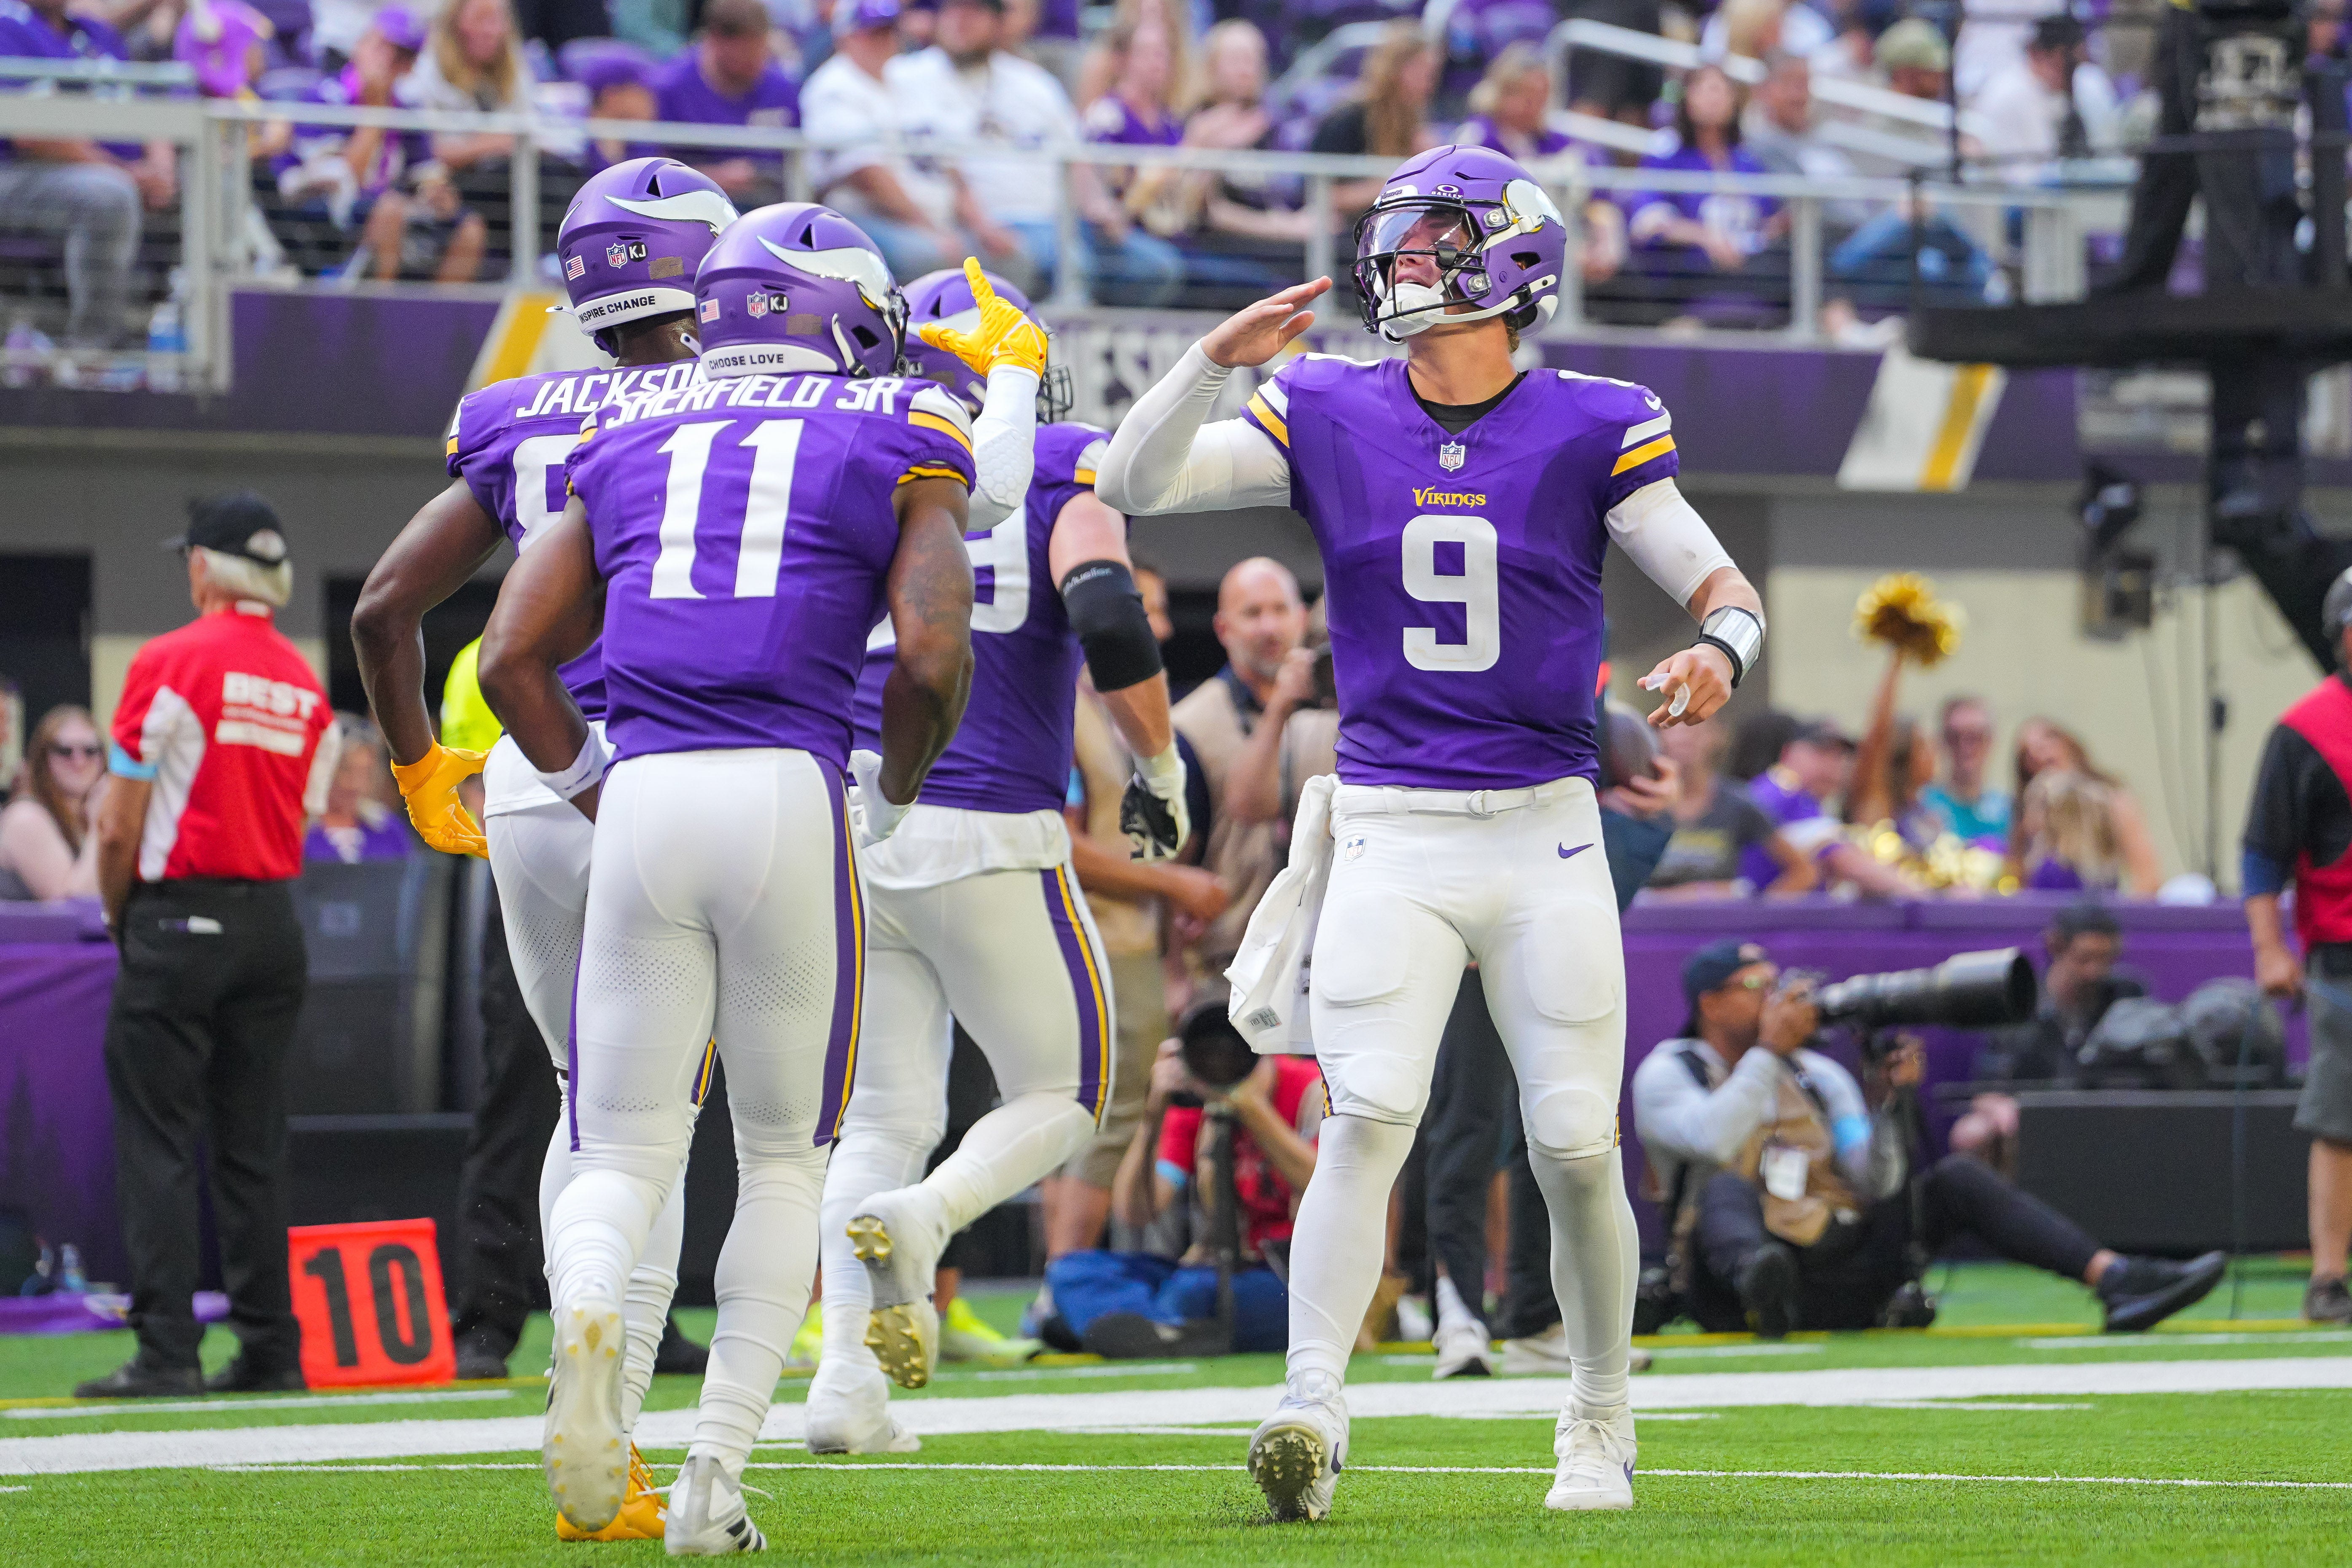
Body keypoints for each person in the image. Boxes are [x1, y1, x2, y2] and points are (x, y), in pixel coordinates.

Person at [1096, 142, 1771, 1516]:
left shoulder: (1593, 421)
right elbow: (1133, 478)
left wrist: (1722, 650)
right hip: (1392, 825)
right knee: (1369, 1114)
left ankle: (1592, 1413)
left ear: (1509, 267)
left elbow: (1718, 582)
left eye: (1430, 244)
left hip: (1540, 829)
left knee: (1575, 1137)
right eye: (1397, 243)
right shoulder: (1329, 406)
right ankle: (1307, 1406)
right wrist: (1206, 362)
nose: (1400, 265)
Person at [479, 201, 977, 1552]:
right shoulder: (893, 430)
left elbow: (505, 657)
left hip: (640, 793)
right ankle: (710, 1480)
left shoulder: (622, 431)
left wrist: (587, 779)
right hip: (783, 795)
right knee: (778, 1159)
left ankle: (585, 1304)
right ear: (842, 317)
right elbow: (930, 657)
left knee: (617, 1138)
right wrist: (890, 788)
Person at [351, 157, 736, 1544]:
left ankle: (580, 1362)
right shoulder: (739, 399)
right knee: (661, 1112)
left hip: (522, 774)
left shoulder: (521, 412)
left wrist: (413, 767)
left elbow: (386, 612)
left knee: (589, 1094)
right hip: (666, 759)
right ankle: (613, 1422)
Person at [807, 262, 1191, 1451]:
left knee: (876, 1114)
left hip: (855, 824)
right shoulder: (1059, 461)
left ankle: (841, 1395)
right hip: (988, 819)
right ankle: (929, 1218)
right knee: (1064, 1094)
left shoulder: (855, 455)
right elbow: (1108, 610)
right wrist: (1159, 770)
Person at [78, 493, 340, 1400]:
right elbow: (305, 819)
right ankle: (271, 1351)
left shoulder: (167, 663)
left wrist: (123, 917)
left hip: (177, 918)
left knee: (157, 1138)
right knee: (252, 1145)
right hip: (273, 926)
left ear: (204, 566)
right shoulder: (307, 686)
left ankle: (165, 1353)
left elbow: (118, 826)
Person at [1633, 939, 2225, 1339]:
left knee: (1955, 1181)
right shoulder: (1672, 1071)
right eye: (1754, 984)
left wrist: (1889, 1106)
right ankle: (1761, 1288)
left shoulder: (1820, 1077)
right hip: (1727, 1280)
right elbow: (1711, 1141)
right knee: (1725, 1190)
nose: (1775, 997)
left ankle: (2115, 1279)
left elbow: (1871, 1180)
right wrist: (1767, 1052)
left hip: (1830, 1261)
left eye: (1775, 982)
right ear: (1708, 1002)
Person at [1043, 562, 1231, 1273]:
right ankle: (1065, 1288)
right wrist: (1173, 886)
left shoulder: (1113, 712)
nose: (1155, 627)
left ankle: (1058, 1290)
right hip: (1093, 938)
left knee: (1081, 1117)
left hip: (1123, 940)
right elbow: (1057, 842)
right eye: (1143, 609)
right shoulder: (1064, 708)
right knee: (1103, 1114)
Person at [1044, 1026, 1323, 1355]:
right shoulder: (1198, 1099)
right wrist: (1153, 1115)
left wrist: (1252, 1108)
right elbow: (1136, 1212)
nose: (1221, 1063)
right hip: (1214, 1269)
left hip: (1292, 1273)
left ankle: (1124, 1324)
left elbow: (1323, 1186)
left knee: (1193, 1293)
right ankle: (1157, 1329)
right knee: (1071, 1270)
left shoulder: (1312, 1087)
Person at [2243, 567, 2352, 1324]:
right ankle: (2325, 1277)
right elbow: (2261, 854)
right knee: (2338, 1117)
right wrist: (2267, 949)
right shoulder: (2305, 730)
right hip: (2341, 958)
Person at [887, 0, 1113, 303]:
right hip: (963, 223)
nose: (960, 21)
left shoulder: (1033, 83)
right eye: (952, 10)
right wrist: (979, 224)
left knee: (1143, 265)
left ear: (998, 21)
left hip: (1050, 222)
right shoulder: (903, 76)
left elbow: (1075, 157)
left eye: (973, 11)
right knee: (1052, 263)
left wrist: (1100, 204)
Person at [1167, 556, 1309, 996]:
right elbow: (1173, 864)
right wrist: (1173, 974)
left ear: (1301, 617)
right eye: (1252, 613)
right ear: (1224, 628)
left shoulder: (1344, 710)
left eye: (1279, 609)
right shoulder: (1188, 725)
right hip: (1228, 968)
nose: (1269, 627)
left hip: (1330, 956)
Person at [0, 0, 172, 352]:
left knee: (209, 182)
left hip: (118, 172)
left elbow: (147, 107)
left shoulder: (95, 33)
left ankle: (183, 336)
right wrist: (123, 171)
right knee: (108, 196)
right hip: (20, 173)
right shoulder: (7, 24)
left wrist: (161, 165)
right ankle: (93, 353)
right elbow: (32, 133)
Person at [1949, 901, 2137, 1171]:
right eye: (2085, 958)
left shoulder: (2126, 997)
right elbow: (1987, 1092)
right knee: (1972, 1133)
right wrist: (2004, 1113)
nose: (2096, 972)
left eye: (2106, 959)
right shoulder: (2018, 1004)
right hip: (2033, 1119)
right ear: (2056, 946)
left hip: (2107, 1117)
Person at [801, 0, 965, 283]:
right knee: (929, 255)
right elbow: (869, 177)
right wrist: (930, 229)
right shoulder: (833, 85)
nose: (884, 41)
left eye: (888, 31)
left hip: (926, 219)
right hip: (860, 219)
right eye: (872, 32)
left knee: (1000, 255)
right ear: (846, 37)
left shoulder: (904, 79)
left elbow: (948, 162)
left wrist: (980, 226)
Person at [1454, 44, 1626, 286]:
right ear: (1502, 92)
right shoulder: (1477, 140)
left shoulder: (1559, 144)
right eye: (1526, 95)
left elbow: (1599, 200)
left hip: (1567, 251)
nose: (1534, 105)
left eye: (1542, 96)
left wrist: (1605, 238)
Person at [1629, 64, 1784, 278]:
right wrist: (1705, 238)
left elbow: (1770, 218)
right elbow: (1646, 222)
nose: (1713, 100)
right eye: (1704, 90)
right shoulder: (1668, 153)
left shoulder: (1748, 160)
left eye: (1720, 91)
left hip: (1749, 269)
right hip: (1690, 274)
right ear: (1687, 100)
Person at [653, 0, 803, 206]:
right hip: (688, 206)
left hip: (766, 208)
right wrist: (714, 177)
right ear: (715, 40)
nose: (756, 62)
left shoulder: (781, 90)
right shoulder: (671, 87)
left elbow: (797, 168)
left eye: (760, 51)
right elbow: (652, 171)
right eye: (745, 55)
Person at [1645, 716, 1814, 897]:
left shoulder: (1739, 803)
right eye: (1672, 728)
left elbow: (1803, 871)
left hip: (1718, 921)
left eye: (1693, 727)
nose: (1683, 738)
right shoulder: (1641, 801)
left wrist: (1758, 916)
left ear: (1717, 736)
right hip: (1648, 923)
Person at [1745, 718, 1915, 895]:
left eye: (1841, 756)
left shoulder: (1797, 796)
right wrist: (1925, 898)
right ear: (1788, 753)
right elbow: (1852, 866)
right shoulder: (1782, 794)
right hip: (1758, 917)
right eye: (1822, 752)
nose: (1834, 764)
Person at [2009, 716, 2161, 894]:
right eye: (2027, 753)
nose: (2038, 753)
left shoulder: (2111, 799)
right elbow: (2017, 880)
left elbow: (2148, 877)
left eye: (2048, 739)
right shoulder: (2029, 814)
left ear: (2068, 743)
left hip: (2098, 914)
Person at [1308, 22, 1439, 221]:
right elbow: (1321, 194)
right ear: (1400, 70)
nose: (1430, 87)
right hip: (1346, 232)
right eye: (1426, 76)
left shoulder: (1414, 122)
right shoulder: (1349, 118)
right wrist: (1400, 183)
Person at [0, 704, 105, 901]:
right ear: (43, 758)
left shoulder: (84, 817)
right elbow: (71, 907)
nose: (79, 761)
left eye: (90, 751)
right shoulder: (26, 817)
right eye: (65, 751)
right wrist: (101, 825)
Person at [303, 716, 416, 863]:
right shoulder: (302, 829)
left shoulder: (388, 828)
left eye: (364, 773)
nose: (354, 785)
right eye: (345, 770)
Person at [1921, 694, 2009, 847]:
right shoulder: (1922, 805)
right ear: (1942, 742)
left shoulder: (2009, 811)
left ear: (1991, 741)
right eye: (1955, 737)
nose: (1965, 746)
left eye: (1975, 737)